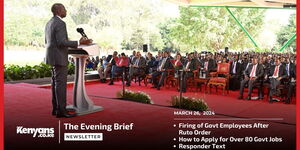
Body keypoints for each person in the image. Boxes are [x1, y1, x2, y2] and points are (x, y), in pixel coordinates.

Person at [45, 3, 91, 118]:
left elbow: (51, 41)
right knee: (60, 84)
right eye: (64, 9)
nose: (66, 11)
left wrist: (69, 42)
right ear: (59, 10)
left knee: (55, 83)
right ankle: (62, 111)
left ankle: (56, 109)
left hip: (52, 56)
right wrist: (79, 43)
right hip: (59, 57)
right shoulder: (60, 23)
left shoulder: (49, 22)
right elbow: (61, 42)